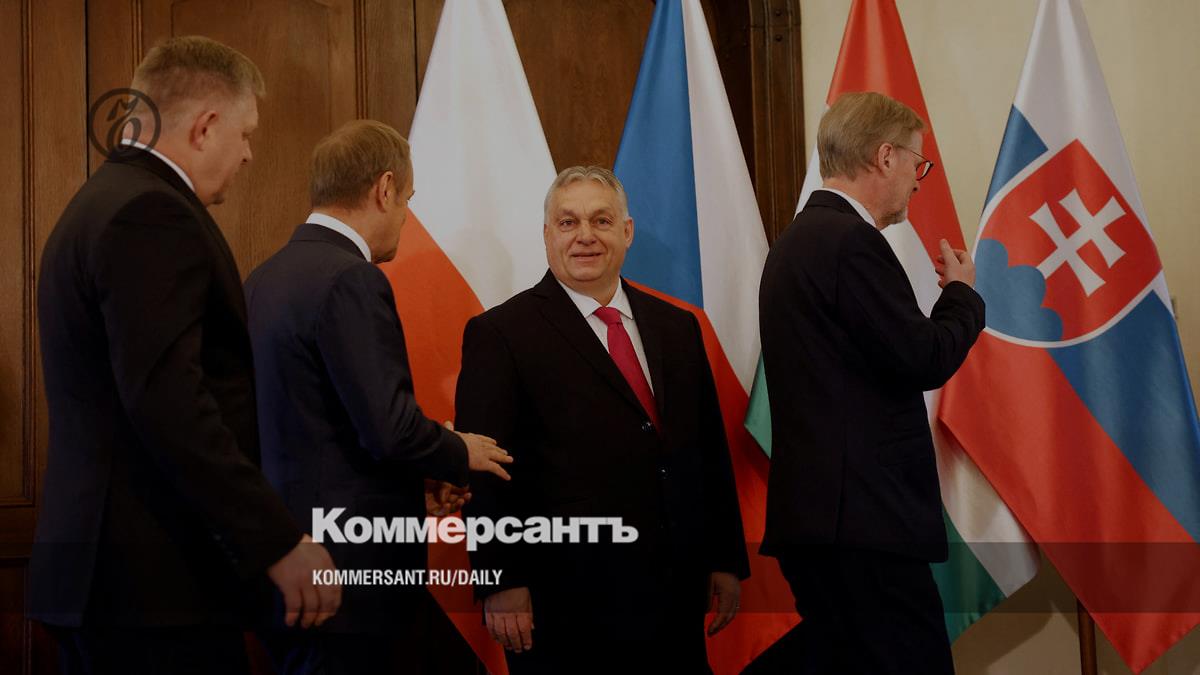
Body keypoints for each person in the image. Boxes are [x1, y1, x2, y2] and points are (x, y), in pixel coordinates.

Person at [32, 36, 339, 674]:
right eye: (245, 133)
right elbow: (170, 402)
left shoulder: (102, 200)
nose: (248, 153)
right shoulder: (151, 213)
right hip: (149, 587)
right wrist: (276, 540)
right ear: (205, 126)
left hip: (112, 579)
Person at [245, 119, 514, 675]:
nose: (406, 217)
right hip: (349, 581)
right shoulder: (351, 278)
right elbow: (388, 428)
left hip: (285, 561)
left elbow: (317, 431)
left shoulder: (263, 279)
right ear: (384, 188)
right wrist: (458, 450)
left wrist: (409, 489)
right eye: (408, 200)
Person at [455, 166, 749, 674]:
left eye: (601, 220)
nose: (585, 236)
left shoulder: (678, 327)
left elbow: (705, 450)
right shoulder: (501, 334)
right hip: (563, 603)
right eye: (568, 222)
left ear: (627, 232)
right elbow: (485, 471)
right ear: (547, 235)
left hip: (674, 594)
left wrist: (724, 558)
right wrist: (500, 579)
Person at [758, 91, 985, 674]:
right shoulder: (850, 242)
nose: (917, 181)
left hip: (824, 523)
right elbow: (922, 357)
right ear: (885, 157)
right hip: (864, 525)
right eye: (917, 163)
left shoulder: (796, 242)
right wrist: (962, 296)